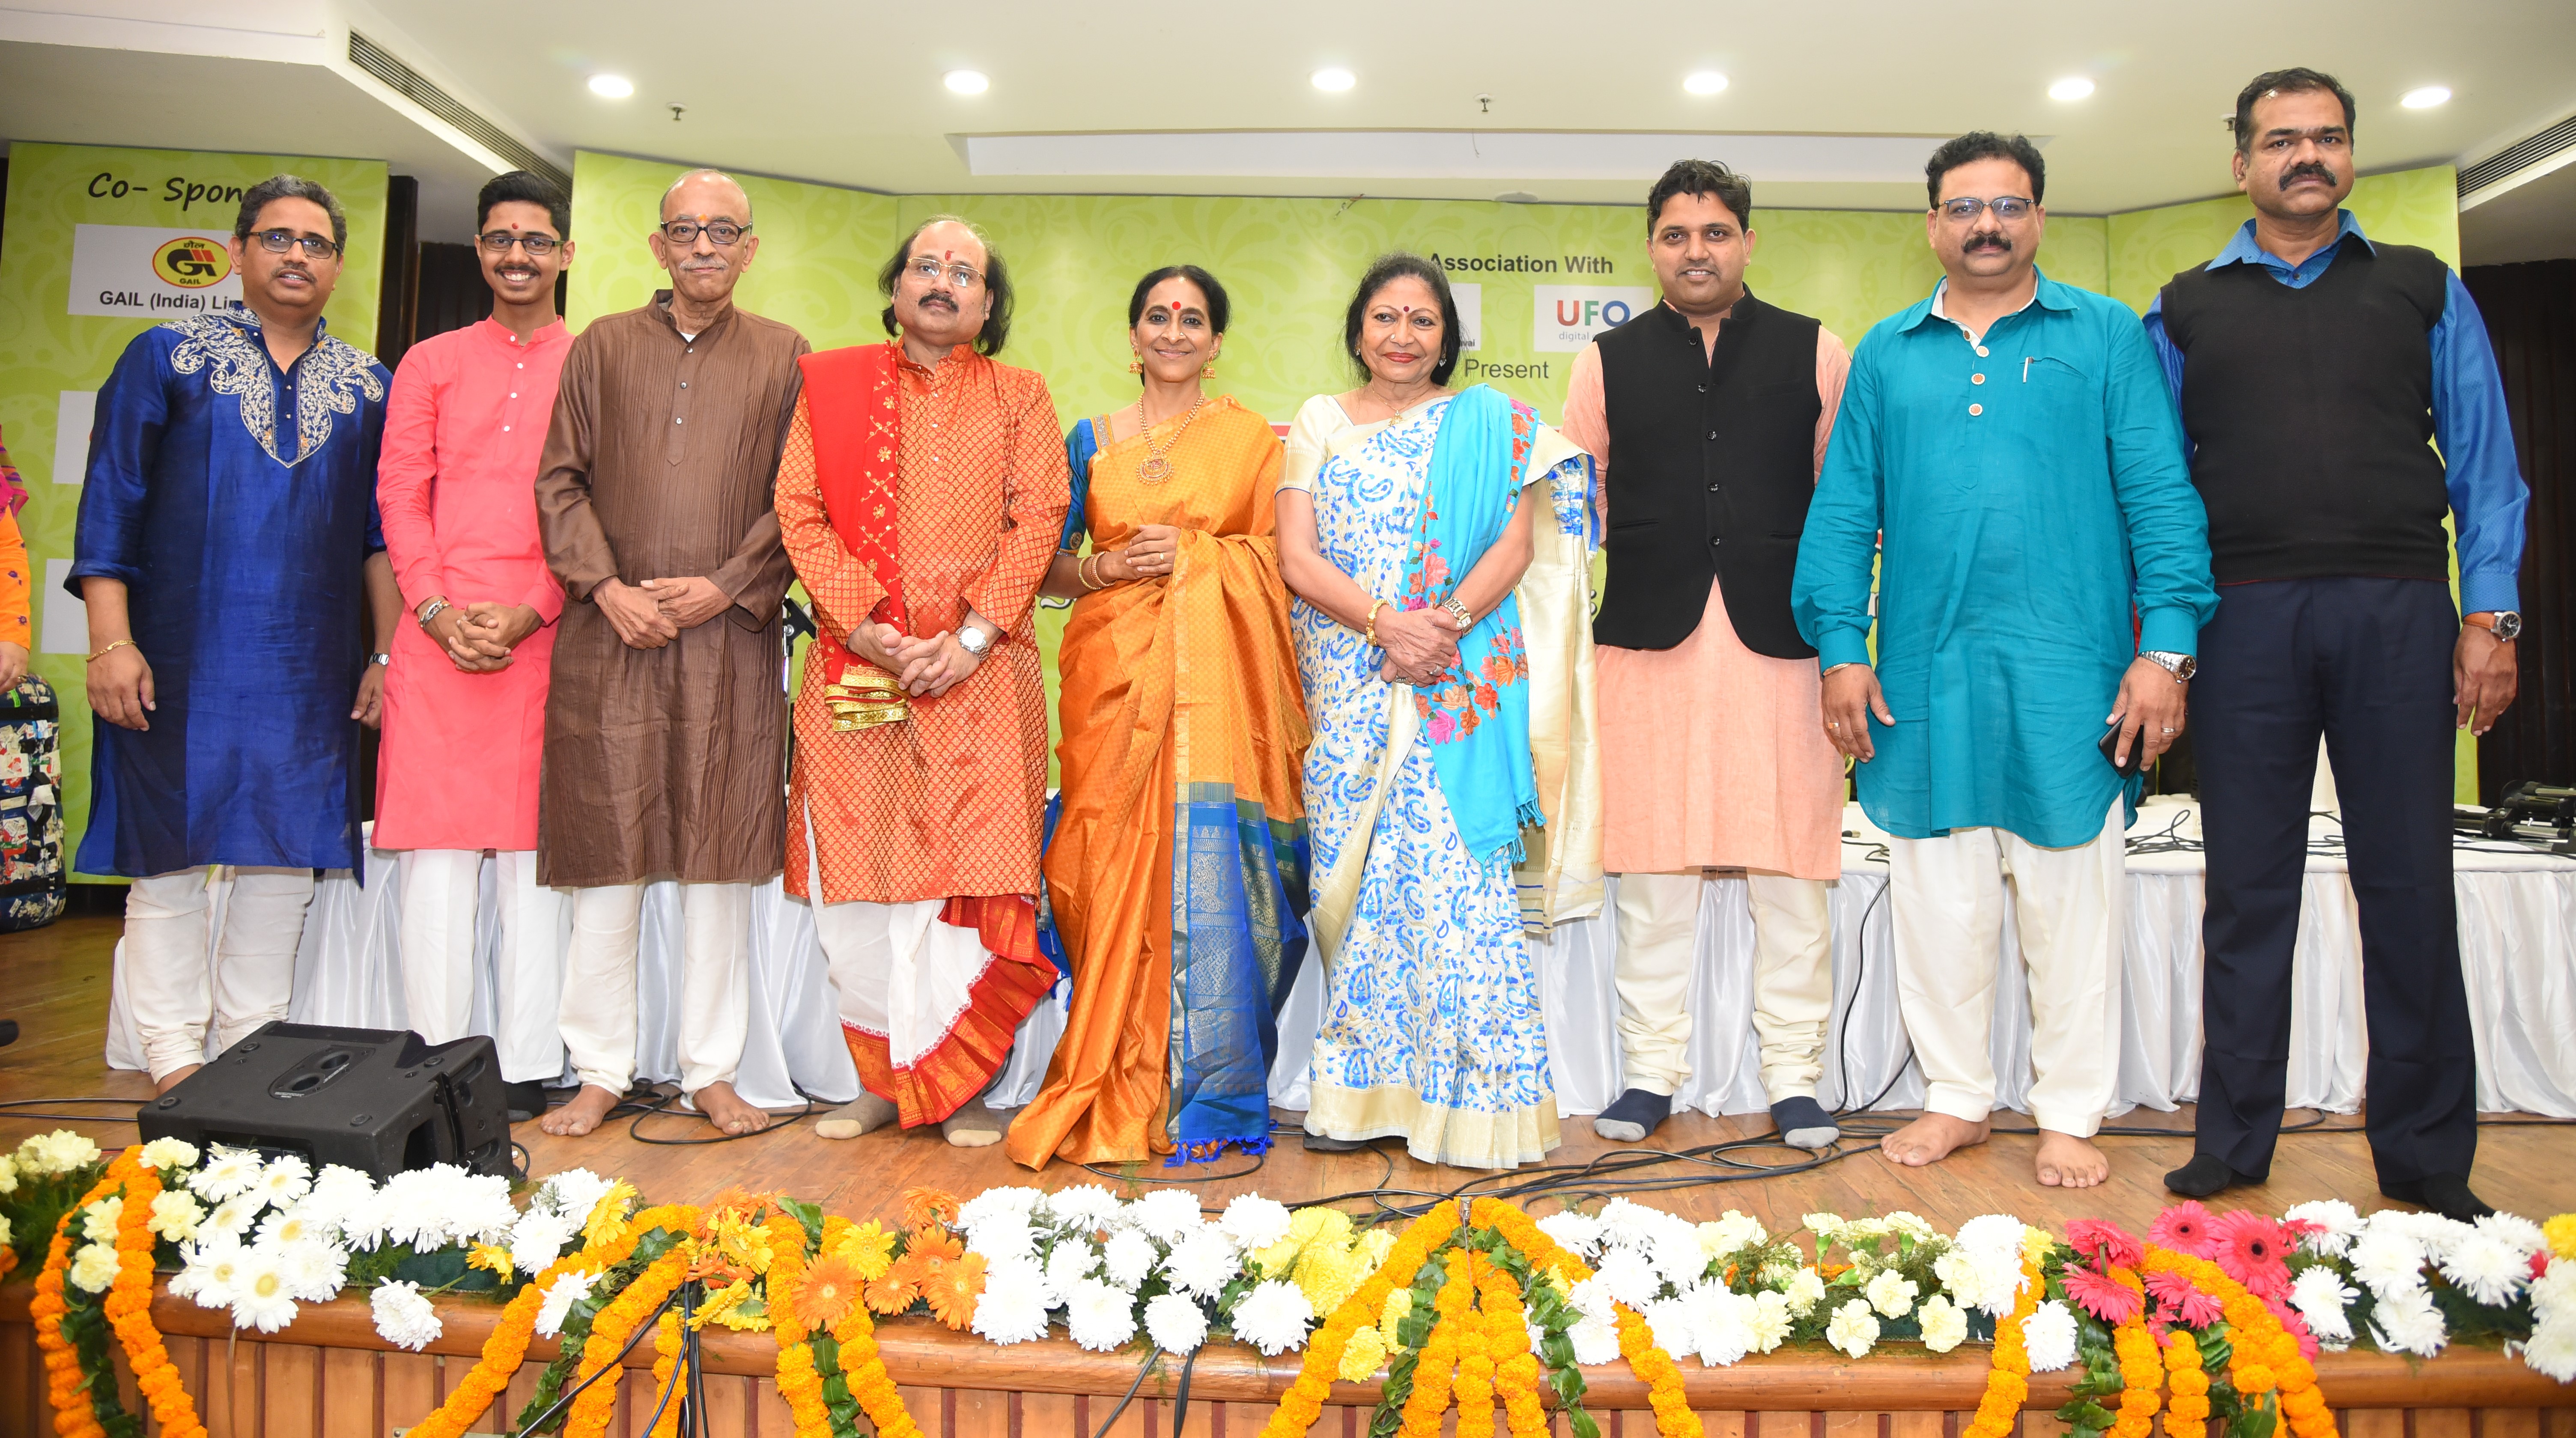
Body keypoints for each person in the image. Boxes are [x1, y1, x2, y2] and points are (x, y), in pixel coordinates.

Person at [1791, 133, 2216, 1188]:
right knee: (1939, 906)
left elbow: (2160, 497)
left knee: (2071, 907)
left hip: (2073, 673)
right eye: (1964, 207)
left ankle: (2069, 1109)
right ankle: (1956, 1098)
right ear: (1932, 224)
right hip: (1925, 677)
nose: (1986, 224)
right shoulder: (1887, 352)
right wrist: (1840, 648)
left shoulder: (2103, 334)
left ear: (2038, 218)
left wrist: (2164, 650)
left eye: (2008, 205)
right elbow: (1842, 512)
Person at [2149, 71, 2527, 1221]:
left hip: (2398, 611)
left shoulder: (2422, 287)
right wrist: (2165, 638)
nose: (2304, 156)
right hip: (2242, 621)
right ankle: (2232, 1142)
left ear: (2350, 155)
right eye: (2280, 141)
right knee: (2244, 890)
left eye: (2325, 137)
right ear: (2241, 165)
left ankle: (2425, 1157)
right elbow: (2157, 490)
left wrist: (2489, 616)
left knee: (2408, 884)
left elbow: (2486, 465)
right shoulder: (2182, 307)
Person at [71, 175, 401, 1093]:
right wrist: (111, 642)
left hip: (309, 664)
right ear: (238, 251)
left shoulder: (369, 385)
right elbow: (111, 503)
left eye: (316, 243)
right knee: (169, 858)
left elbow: (381, 539)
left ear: (338, 264)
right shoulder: (166, 355)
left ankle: (254, 1042)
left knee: (283, 858)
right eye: (277, 238)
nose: (297, 256)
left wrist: (384, 656)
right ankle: (172, 1051)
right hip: (175, 656)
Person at [1278, 253, 1599, 1170]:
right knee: (1358, 890)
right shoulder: (1319, 420)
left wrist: (1440, 628)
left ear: (1447, 339)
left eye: (1423, 321)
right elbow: (1296, 558)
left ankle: (1475, 1101)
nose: (1403, 336)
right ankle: (1360, 1093)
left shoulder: (1489, 424)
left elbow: (1514, 543)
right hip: (1350, 677)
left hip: (1451, 682)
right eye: (1386, 317)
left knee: (1455, 885)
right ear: (1358, 329)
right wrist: (1386, 624)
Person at [1559, 159, 1852, 1150]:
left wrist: (1846, 644)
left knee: (1790, 879)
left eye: (1715, 232)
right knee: (1652, 881)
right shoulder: (1604, 361)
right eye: (1676, 235)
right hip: (1647, 645)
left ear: (1747, 243)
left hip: (1783, 649)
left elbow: (1842, 503)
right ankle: (1648, 1074)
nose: (1696, 251)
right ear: (1650, 247)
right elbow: (1578, 503)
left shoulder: (1816, 350)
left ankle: (1795, 1079)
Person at [1005, 266, 1312, 1169]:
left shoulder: (1250, 442)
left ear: (1215, 344)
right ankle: (1104, 1066)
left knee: (1213, 873)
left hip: (1215, 697)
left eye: (1192, 320)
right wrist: (1106, 570)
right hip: (1112, 678)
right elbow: (1045, 565)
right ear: (1134, 336)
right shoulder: (1089, 440)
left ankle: (1205, 1089)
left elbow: (1282, 563)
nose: (1174, 331)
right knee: (1102, 870)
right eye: (1157, 317)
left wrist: (1197, 554)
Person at [779, 217, 1067, 1148]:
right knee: (859, 880)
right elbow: (798, 509)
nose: (943, 282)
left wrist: (971, 636)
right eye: (926, 267)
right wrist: (866, 625)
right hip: (858, 668)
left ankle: (957, 1084)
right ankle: (880, 1083)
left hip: (982, 674)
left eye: (964, 273)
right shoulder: (832, 390)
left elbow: (1042, 516)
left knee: (970, 874)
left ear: (988, 303)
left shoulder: (1020, 395)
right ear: (897, 287)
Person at [534, 169, 805, 1139]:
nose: (703, 246)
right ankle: (600, 1069)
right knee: (608, 859)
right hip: (609, 636)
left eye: (722, 232)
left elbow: (799, 498)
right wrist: (607, 589)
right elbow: (559, 482)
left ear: (748, 249)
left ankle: (711, 1072)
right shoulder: (603, 346)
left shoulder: (785, 356)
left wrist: (725, 586)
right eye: (685, 230)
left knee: (717, 863)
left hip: (729, 640)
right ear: (658, 246)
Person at [375, 170, 578, 1121]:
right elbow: (400, 493)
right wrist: (433, 610)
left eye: (535, 241)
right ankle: (436, 1064)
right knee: (438, 865)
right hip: (438, 638)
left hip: (546, 637)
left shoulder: (591, 363)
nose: (517, 256)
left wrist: (534, 607)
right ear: (480, 252)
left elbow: (597, 507)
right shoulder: (429, 362)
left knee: (534, 867)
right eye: (500, 239)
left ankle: (530, 1063)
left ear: (565, 254)